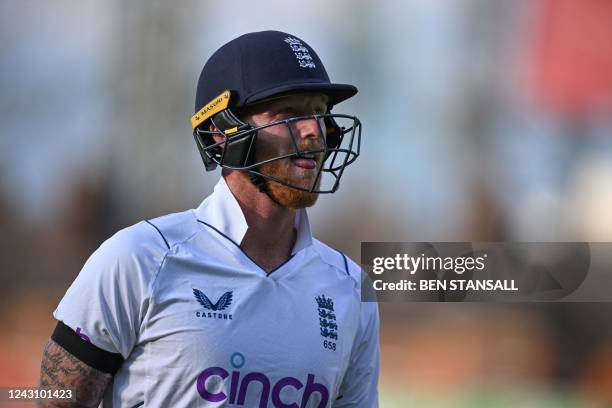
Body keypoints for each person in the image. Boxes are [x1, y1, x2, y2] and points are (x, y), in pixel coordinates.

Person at [38, 30, 379, 407]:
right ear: (220, 132)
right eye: (290, 114)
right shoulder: (138, 258)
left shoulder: (350, 288)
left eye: (319, 112)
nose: (315, 131)